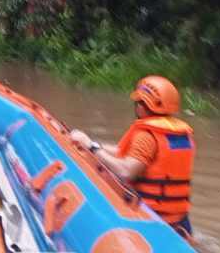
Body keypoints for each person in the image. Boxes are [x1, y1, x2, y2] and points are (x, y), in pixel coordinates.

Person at [69, 76, 196, 240]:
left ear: (142, 105)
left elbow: (126, 171)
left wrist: (92, 148)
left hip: (149, 217)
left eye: (138, 103)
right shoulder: (182, 135)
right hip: (180, 222)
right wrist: (91, 143)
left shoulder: (146, 135)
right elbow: (127, 153)